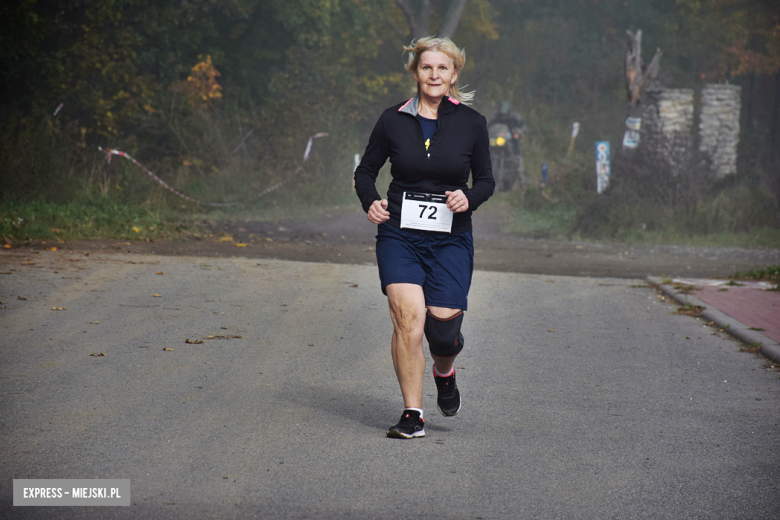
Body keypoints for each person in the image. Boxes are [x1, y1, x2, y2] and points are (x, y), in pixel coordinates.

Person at [354, 36, 495, 439]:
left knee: (442, 335)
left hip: (450, 238)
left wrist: (467, 198)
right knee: (408, 322)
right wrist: (372, 201)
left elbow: (486, 181)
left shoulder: (472, 124)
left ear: (453, 75)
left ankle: (445, 371)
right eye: (426, 67)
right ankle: (412, 414)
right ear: (416, 72)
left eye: (442, 68)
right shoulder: (392, 119)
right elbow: (366, 171)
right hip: (399, 234)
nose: (434, 74)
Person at [487, 101, 526, 191]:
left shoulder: (515, 119)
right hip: (497, 144)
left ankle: (523, 186)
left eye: (505, 114)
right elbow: (488, 126)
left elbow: (523, 127)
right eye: (502, 114)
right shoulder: (496, 118)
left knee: (518, 163)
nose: (503, 116)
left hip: (511, 144)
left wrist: (518, 132)